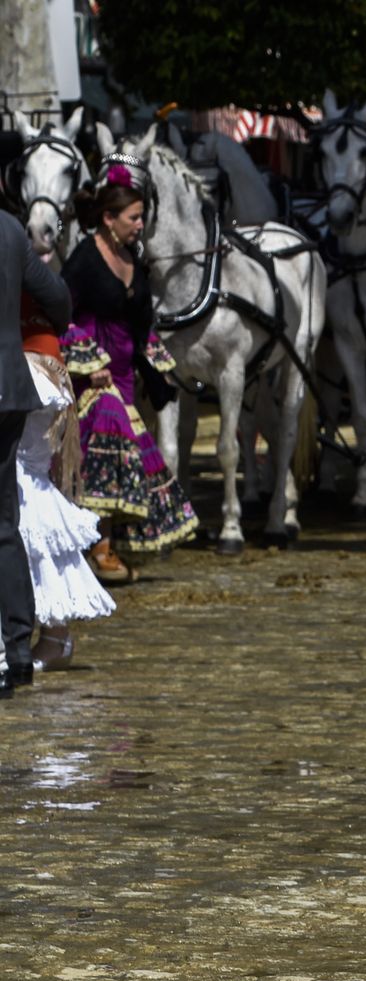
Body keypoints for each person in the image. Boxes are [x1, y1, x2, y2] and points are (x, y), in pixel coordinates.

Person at [62, 172, 199, 576]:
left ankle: (105, 543)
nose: (141, 225)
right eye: (134, 217)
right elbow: (58, 313)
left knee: (131, 455)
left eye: (142, 217)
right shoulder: (85, 258)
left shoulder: (133, 259)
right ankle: (99, 547)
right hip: (90, 374)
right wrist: (90, 362)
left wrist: (158, 369)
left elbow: (140, 324)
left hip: (123, 370)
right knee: (108, 429)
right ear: (109, 217)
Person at [17, 292, 116, 672]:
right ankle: (45, 635)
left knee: (26, 490)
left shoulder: (27, 266)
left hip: (32, 363)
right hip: (28, 361)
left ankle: (55, 637)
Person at [1, 210, 70, 699]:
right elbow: (59, 302)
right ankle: (18, 646)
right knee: (3, 520)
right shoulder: (7, 227)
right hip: (7, 389)